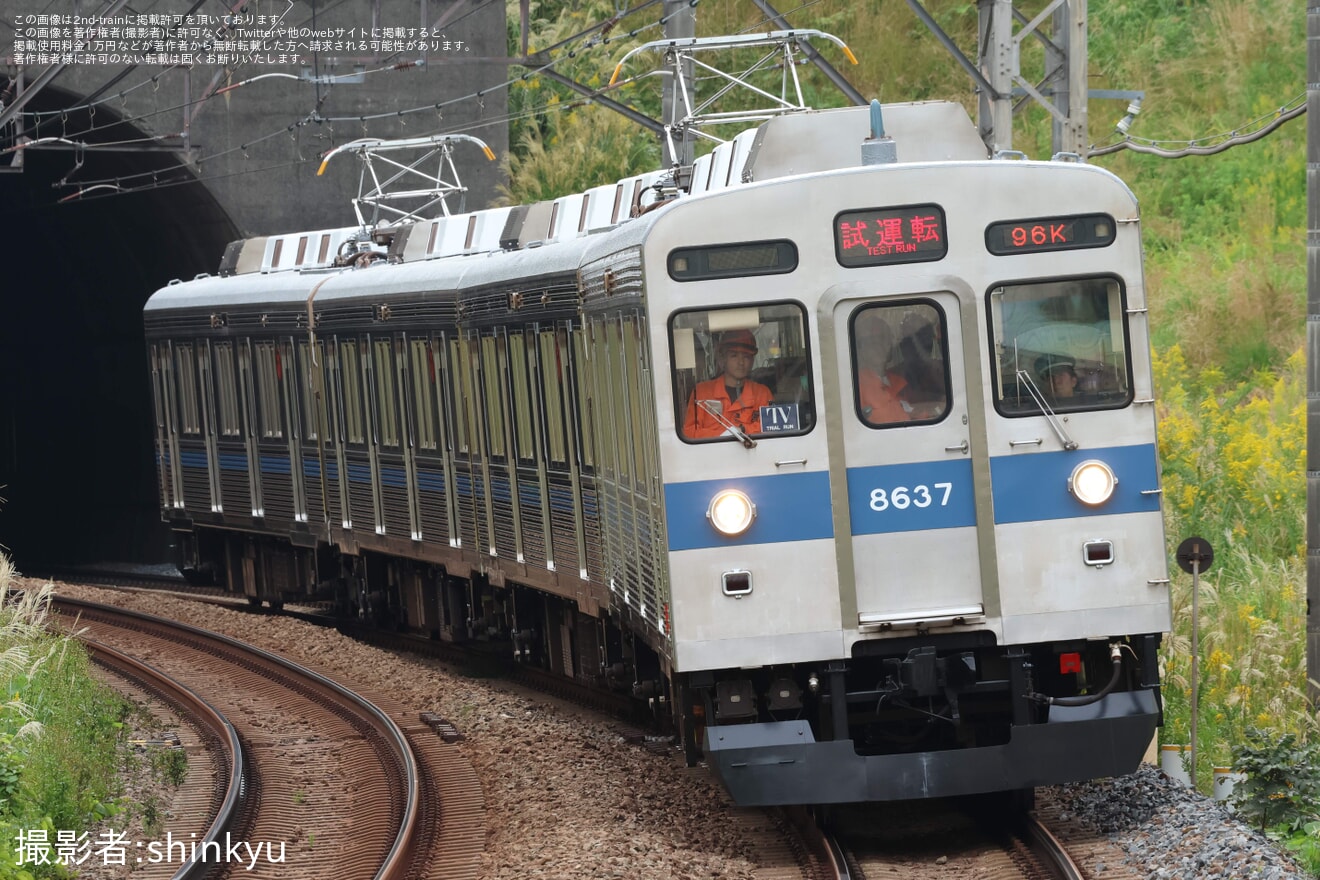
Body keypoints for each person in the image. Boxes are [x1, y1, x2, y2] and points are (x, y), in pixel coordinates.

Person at [683, 329, 774, 439]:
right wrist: (726, 434)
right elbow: (690, 432)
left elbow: (771, 428)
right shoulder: (701, 392)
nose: (741, 362)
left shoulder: (762, 393)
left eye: (746, 356)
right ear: (722, 359)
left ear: (752, 360)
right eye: (734, 355)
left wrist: (742, 429)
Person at [855, 311, 912, 425]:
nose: (878, 345)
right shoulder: (856, 385)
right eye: (871, 341)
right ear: (860, 349)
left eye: (883, 338)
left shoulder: (899, 381)